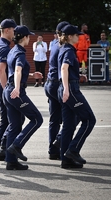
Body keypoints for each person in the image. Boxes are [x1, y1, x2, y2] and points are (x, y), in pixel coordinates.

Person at [3, 25, 43, 170]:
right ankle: (17, 145)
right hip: (15, 91)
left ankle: (11, 161)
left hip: (7, 91)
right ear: (24, 37)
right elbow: (18, 70)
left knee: (15, 125)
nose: (29, 38)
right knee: (37, 119)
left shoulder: (12, 50)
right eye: (28, 36)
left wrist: (32, 75)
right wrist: (18, 88)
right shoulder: (20, 53)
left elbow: (14, 71)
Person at [58, 24, 96, 169]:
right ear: (69, 36)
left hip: (67, 87)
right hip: (71, 89)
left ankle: (66, 160)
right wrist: (67, 89)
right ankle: (73, 150)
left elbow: (65, 69)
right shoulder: (68, 50)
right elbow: (63, 68)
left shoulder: (64, 49)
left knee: (68, 125)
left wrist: (77, 75)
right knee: (89, 120)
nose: (78, 36)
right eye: (76, 35)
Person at [0, 19, 17, 161]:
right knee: (14, 119)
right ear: (7, 30)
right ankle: (3, 147)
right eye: (13, 30)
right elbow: (1, 71)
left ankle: (1, 148)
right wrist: (7, 89)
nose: (15, 33)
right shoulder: (4, 48)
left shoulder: (0, 44)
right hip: (3, 86)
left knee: (5, 119)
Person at [44, 21, 70, 160]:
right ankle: (60, 142)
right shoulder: (63, 46)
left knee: (54, 119)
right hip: (57, 84)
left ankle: (52, 150)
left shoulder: (54, 44)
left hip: (49, 83)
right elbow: (64, 68)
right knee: (71, 116)